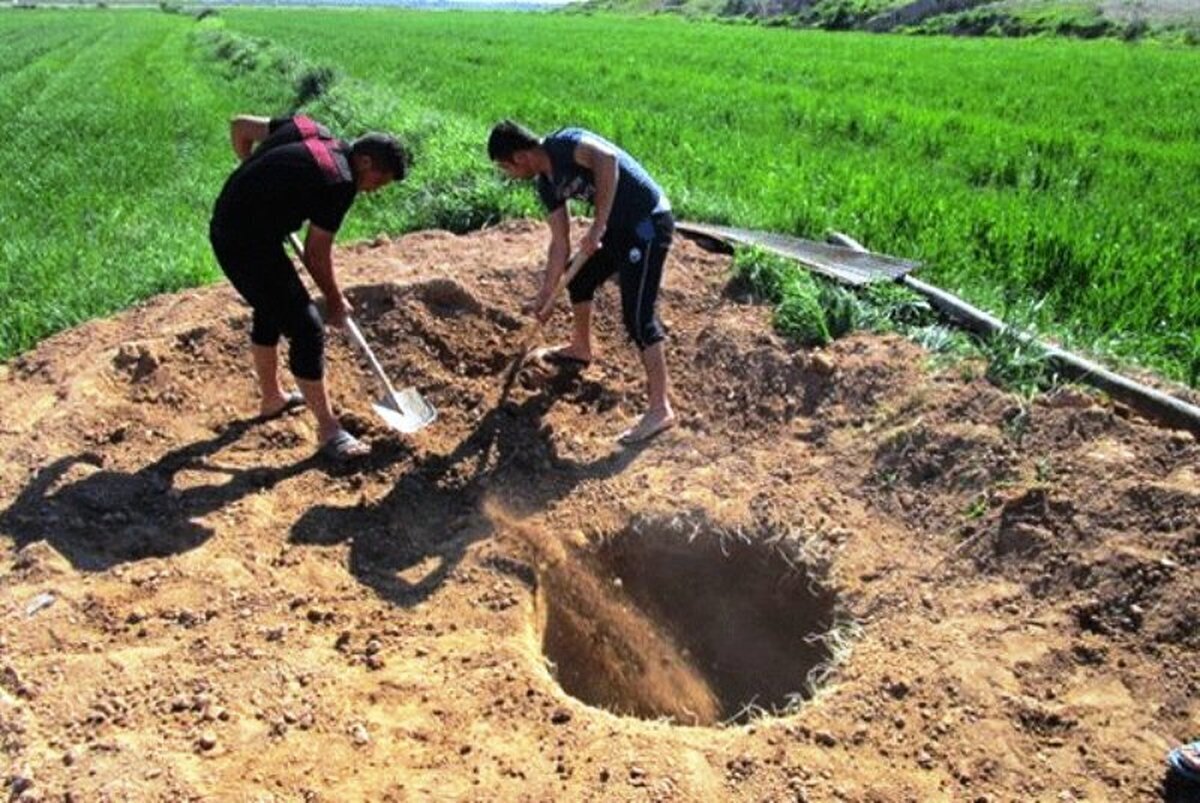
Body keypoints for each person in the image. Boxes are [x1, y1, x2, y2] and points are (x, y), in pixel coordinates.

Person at [209, 114, 408, 459]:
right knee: (307, 329)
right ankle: (329, 431)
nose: (374, 189)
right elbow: (316, 255)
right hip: (241, 242)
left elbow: (240, 126)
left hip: (245, 227)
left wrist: (254, 172)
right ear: (364, 161)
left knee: (272, 308)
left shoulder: (308, 129)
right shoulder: (339, 182)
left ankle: (272, 399)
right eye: (379, 180)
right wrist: (334, 299)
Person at [487, 120, 676, 444]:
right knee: (580, 278)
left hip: (648, 223)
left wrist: (598, 226)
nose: (510, 175)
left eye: (506, 168)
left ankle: (660, 409)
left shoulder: (565, 144)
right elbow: (560, 242)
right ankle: (581, 348)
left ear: (518, 157)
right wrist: (547, 294)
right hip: (618, 229)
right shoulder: (546, 185)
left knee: (637, 316)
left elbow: (608, 160)